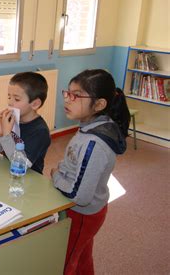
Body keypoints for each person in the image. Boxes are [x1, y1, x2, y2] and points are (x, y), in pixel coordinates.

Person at [43, 69, 130, 275]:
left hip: (82, 213)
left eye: (76, 95)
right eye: (68, 93)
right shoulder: (90, 126)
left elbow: (79, 195)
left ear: (99, 104)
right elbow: (77, 162)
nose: (67, 99)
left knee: (65, 261)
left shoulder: (95, 142)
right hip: (88, 210)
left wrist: (56, 175)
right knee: (81, 256)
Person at [0, 72, 51, 174]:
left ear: (35, 104)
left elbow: (21, 164)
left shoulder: (40, 131)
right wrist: (0, 132)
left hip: (28, 179)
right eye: (9, 97)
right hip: (8, 172)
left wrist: (7, 135)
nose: (10, 102)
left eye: (16, 99)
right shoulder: (12, 120)